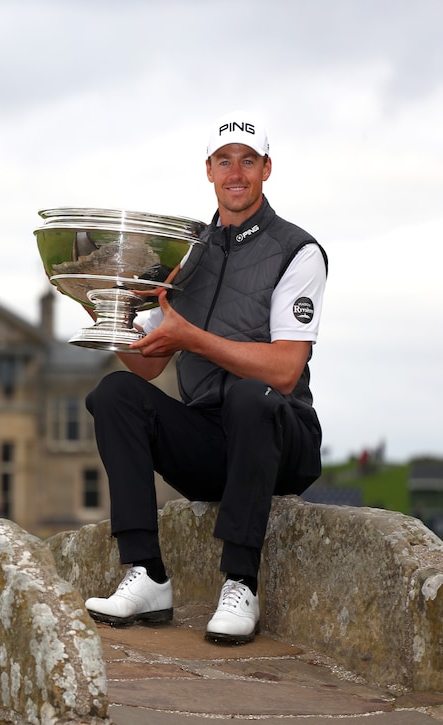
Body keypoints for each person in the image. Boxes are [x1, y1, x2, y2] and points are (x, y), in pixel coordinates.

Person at [83, 112, 328, 644]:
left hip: (280, 439)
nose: (235, 172)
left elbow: (286, 370)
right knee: (114, 393)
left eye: (247, 160)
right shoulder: (183, 254)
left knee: (250, 396)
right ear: (209, 172)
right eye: (224, 161)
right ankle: (146, 573)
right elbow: (150, 362)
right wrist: (111, 313)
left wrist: (192, 338)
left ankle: (241, 581)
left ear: (266, 169)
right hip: (209, 446)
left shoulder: (297, 250)